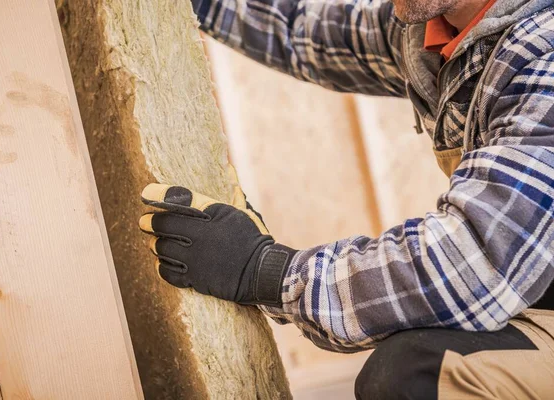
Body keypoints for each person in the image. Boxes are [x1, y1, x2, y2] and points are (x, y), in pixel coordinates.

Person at [139, 0, 554, 398]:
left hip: (520, 292)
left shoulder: (544, 56)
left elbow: (473, 263)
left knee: (412, 375)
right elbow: (298, 30)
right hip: (533, 299)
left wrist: (267, 272)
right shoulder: (440, 29)